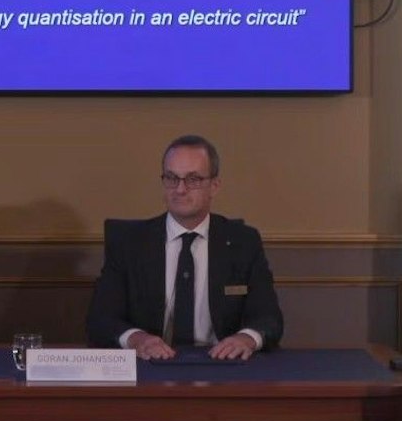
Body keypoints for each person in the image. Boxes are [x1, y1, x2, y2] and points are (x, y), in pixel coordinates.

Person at [86, 134, 282, 359]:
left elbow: (269, 318)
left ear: (214, 186)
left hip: (223, 367)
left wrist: (246, 338)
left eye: (193, 179)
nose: (180, 189)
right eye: (171, 178)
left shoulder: (243, 242)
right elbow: (100, 320)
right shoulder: (130, 243)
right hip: (149, 367)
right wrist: (137, 339)